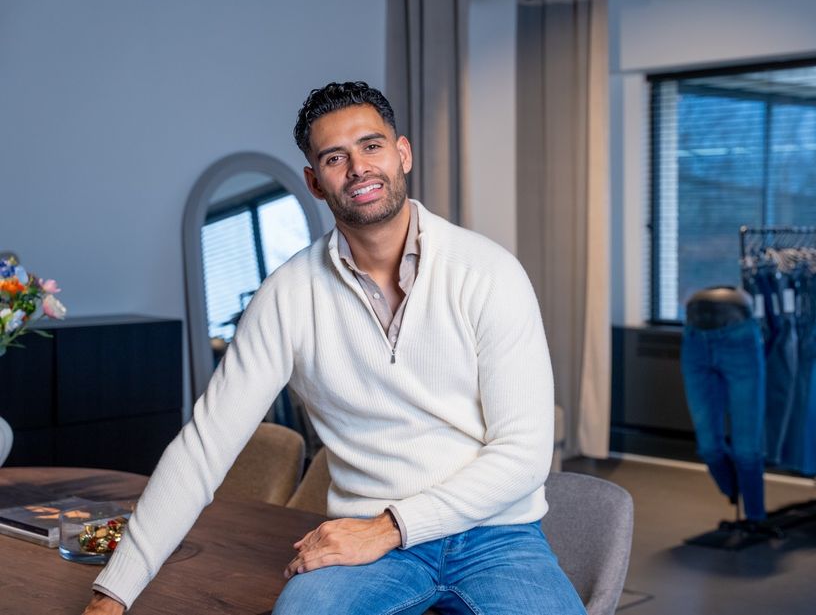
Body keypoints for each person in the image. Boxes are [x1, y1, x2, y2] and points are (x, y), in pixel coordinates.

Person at [82, 81, 585, 614]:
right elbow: (203, 450)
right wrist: (111, 596)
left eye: (372, 146)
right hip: (365, 543)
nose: (359, 168)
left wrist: (390, 529)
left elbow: (523, 457)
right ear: (315, 182)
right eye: (335, 157)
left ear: (402, 154)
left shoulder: (489, 272)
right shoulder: (288, 295)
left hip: (496, 537)